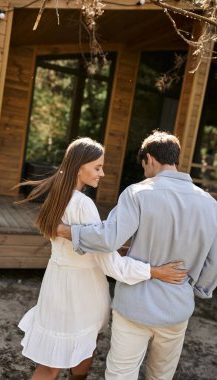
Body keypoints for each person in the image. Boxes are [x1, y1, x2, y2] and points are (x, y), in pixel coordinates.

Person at [16, 137, 186, 380]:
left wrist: (120, 249)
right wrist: (154, 271)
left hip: (56, 282)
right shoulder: (84, 204)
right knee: (75, 352)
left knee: (60, 358)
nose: (103, 173)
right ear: (78, 167)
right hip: (82, 289)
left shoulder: (57, 195)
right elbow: (110, 264)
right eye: (97, 167)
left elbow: (94, 249)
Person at [57, 131, 217, 380]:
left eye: (144, 167)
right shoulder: (210, 204)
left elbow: (108, 238)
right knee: (161, 376)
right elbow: (213, 261)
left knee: (120, 374)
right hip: (177, 308)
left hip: (134, 307)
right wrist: (195, 290)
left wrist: (66, 231)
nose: (145, 173)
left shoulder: (137, 193)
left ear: (150, 159)